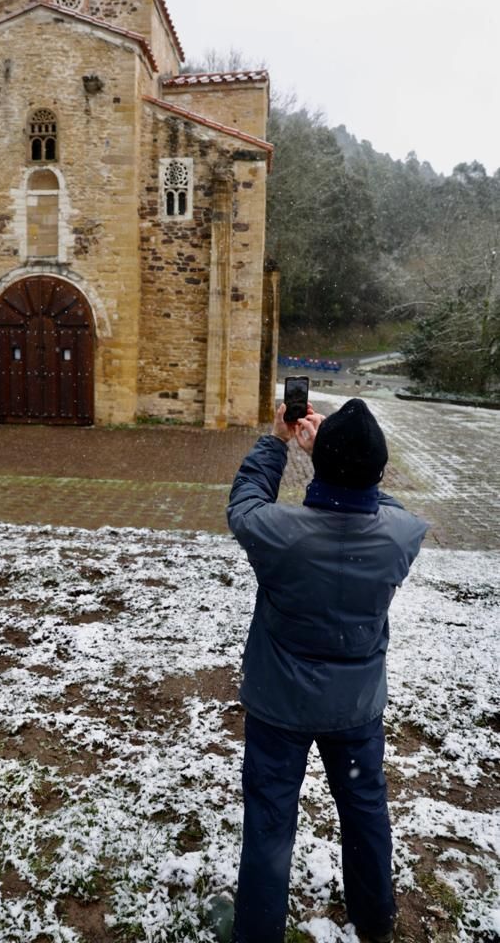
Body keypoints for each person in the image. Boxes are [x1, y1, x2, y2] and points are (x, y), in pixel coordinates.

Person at [226, 397, 428, 943]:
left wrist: (279, 443)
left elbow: (243, 504)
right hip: (355, 708)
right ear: (377, 473)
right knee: (365, 810)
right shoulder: (401, 537)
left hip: (279, 704)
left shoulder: (278, 532)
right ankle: (375, 916)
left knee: (270, 820)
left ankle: (257, 931)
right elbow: (384, 505)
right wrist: (343, 466)